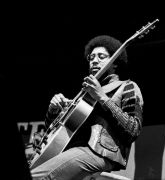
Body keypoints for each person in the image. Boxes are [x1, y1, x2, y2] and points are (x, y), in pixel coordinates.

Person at [30, 35, 144, 180]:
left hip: (97, 152)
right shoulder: (84, 95)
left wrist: (102, 97)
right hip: (68, 151)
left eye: (101, 56)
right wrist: (53, 110)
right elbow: (54, 132)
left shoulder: (127, 86)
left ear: (114, 62)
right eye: (91, 57)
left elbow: (133, 130)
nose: (94, 60)